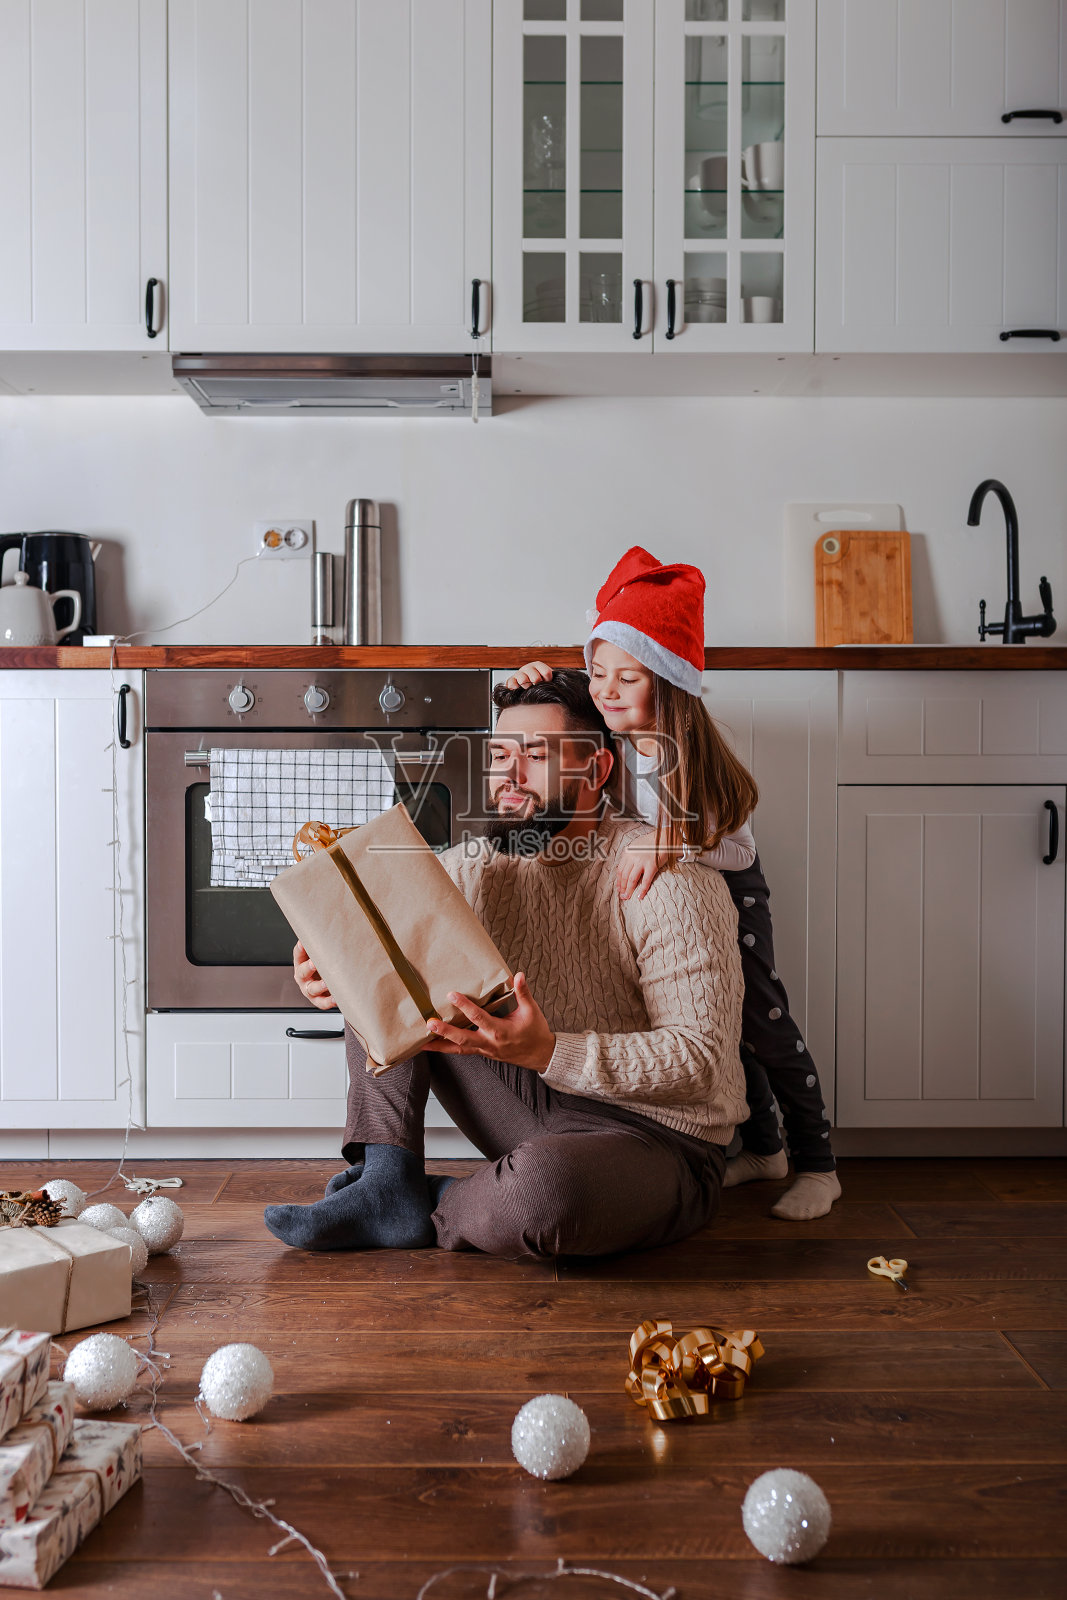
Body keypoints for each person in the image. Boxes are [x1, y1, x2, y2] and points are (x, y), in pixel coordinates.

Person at [264, 669, 748, 1259]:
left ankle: (426, 1202)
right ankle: (386, 1178)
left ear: (596, 770)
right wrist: (332, 974)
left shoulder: (668, 878)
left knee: (547, 1190)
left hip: (659, 1137)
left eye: (536, 756)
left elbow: (701, 1062)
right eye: (499, 756)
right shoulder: (471, 868)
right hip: (531, 1099)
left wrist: (549, 1052)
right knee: (381, 951)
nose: (508, 777)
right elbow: (382, 974)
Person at [507, 546, 840, 1221]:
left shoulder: (684, 748)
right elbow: (569, 717)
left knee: (766, 1029)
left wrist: (670, 841)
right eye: (597, 673)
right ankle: (766, 1148)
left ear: (667, 683)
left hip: (736, 898)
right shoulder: (617, 727)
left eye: (626, 678)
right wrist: (533, 679)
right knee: (728, 1027)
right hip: (679, 904)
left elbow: (735, 836)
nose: (606, 691)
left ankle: (819, 1165)